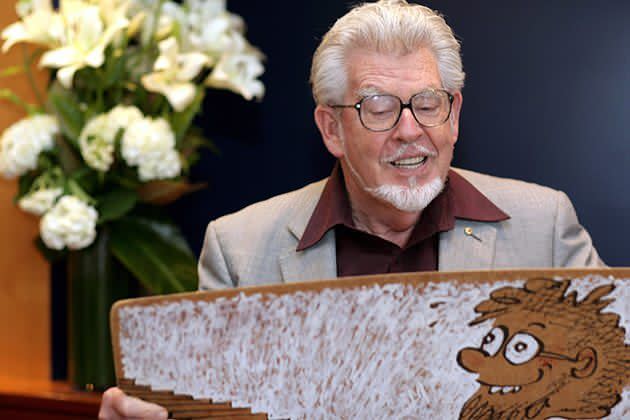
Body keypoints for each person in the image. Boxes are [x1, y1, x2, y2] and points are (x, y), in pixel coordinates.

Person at [99, 0, 603, 418]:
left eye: (428, 103)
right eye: (379, 107)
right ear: (331, 129)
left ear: (454, 117)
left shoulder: (545, 226)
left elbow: (608, 387)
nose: (410, 130)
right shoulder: (240, 249)